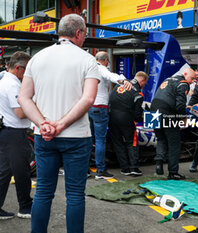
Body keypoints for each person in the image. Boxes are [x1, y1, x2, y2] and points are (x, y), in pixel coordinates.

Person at [18, 14, 100, 233]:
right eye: (85, 34)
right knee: (74, 194)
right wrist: (61, 125)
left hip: (43, 136)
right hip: (77, 137)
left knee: (44, 191)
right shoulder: (87, 60)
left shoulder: (37, 58)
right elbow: (89, 99)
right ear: (78, 33)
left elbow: (23, 97)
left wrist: (43, 123)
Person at [89, 51, 131, 180]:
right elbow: (110, 75)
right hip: (100, 107)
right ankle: (100, 170)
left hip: (88, 106)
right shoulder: (101, 68)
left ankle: (85, 169)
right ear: (106, 60)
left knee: (88, 140)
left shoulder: (88, 68)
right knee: (100, 140)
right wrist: (123, 80)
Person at [0, 51, 32, 220]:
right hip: (14, 134)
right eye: (27, 71)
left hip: (6, 132)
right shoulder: (12, 85)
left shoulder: (4, 80)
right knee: (22, 172)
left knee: (5, 172)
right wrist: (36, 107)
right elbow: (20, 112)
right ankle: (25, 207)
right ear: (19, 68)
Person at [151, 67, 195, 180]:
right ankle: (173, 172)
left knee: (161, 139)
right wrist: (183, 118)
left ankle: (159, 162)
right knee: (174, 143)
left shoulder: (168, 79)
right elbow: (180, 106)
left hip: (152, 111)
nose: (192, 81)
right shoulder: (183, 83)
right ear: (185, 74)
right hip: (166, 112)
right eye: (192, 78)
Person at [108, 71, 149, 176]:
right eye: (145, 83)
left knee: (118, 143)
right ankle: (134, 167)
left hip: (111, 117)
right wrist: (141, 118)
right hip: (126, 119)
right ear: (143, 80)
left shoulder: (120, 84)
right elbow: (137, 114)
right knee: (132, 142)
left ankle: (124, 168)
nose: (144, 85)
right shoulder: (138, 93)